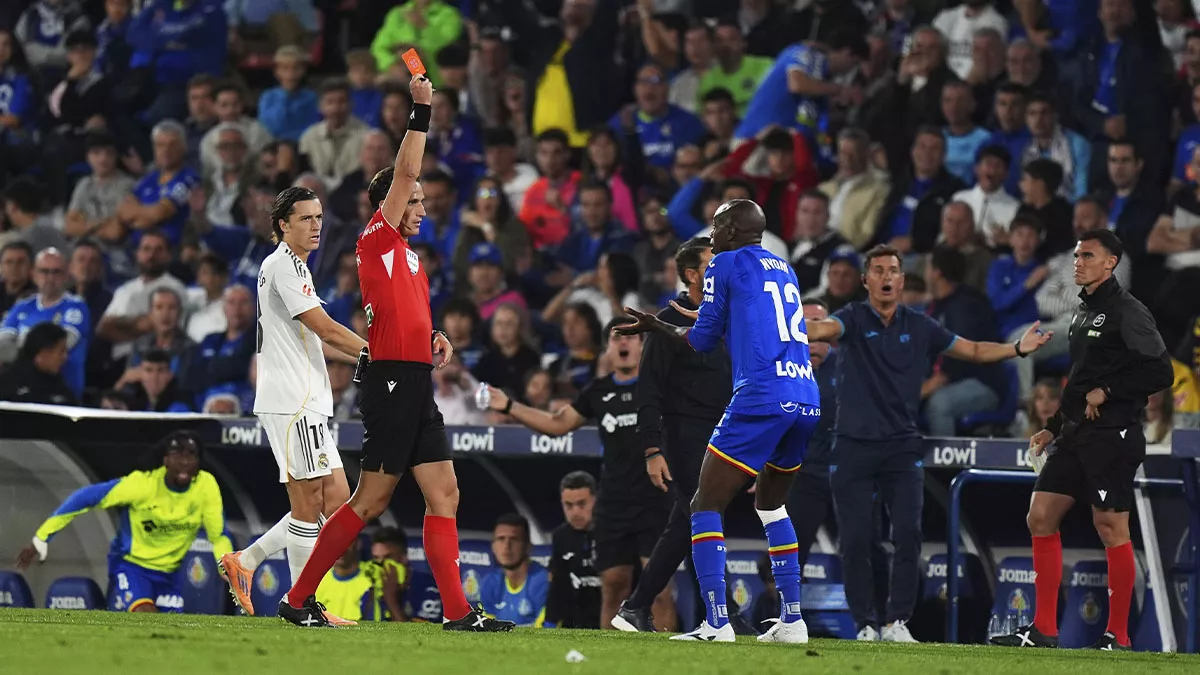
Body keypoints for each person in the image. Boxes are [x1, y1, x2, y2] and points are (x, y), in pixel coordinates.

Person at [276, 74, 512, 633]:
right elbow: (406, 171)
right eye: (416, 201)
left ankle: (457, 613)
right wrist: (421, 110)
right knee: (369, 503)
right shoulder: (376, 240)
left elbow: (402, 317)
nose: (422, 207)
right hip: (388, 384)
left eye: (425, 202)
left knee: (444, 491)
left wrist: (434, 339)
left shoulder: (408, 257)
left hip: (414, 379)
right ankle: (297, 598)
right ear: (390, 202)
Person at [800, 244, 1052, 642]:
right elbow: (820, 330)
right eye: (878, 270)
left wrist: (1017, 348)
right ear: (866, 280)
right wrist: (780, 324)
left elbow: (971, 349)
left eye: (893, 271)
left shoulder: (921, 326)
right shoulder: (850, 317)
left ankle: (896, 622)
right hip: (852, 446)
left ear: (902, 280)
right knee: (855, 540)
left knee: (908, 535)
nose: (886, 277)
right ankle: (865, 623)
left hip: (901, 446)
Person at [614, 200, 822, 644]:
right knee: (771, 506)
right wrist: (691, 317)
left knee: (703, 505)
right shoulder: (783, 266)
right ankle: (792, 621)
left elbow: (703, 340)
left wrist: (660, 327)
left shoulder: (723, 263)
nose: (711, 235)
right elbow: (744, 322)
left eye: (716, 226)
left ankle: (716, 623)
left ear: (731, 230)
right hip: (804, 394)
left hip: (760, 395)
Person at [991, 230, 1174, 651]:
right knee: (1040, 516)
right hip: (1076, 433)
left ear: (1111, 263)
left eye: (1087, 255)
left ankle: (1119, 637)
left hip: (1114, 433)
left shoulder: (1129, 311)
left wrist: (1108, 393)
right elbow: (1079, 383)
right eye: (1076, 255)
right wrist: (1053, 426)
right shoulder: (1081, 311)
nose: (1078, 262)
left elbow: (1159, 372)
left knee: (1110, 526)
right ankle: (1042, 630)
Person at [216, 185, 369, 627]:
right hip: (292, 401)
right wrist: (375, 354)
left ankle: (247, 560)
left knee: (338, 503)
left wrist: (366, 356)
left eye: (319, 217)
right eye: (306, 218)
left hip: (308, 400)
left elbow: (321, 336)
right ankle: (302, 605)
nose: (316, 225)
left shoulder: (294, 266)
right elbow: (324, 328)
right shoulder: (282, 264)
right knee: (308, 505)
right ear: (283, 225)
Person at [483, 318, 675, 631]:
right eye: (616, 338)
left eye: (630, 338)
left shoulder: (661, 386)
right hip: (613, 502)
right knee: (613, 586)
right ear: (607, 349)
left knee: (662, 592)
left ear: (643, 346)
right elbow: (558, 424)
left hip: (656, 497)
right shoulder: (598, 392)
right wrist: (509, 406)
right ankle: (608, 661)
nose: (623, 343)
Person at [611, 238, 748, 635]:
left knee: (687, 525)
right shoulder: (665, 322)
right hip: (683, 434)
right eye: (713, 265)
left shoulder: (726, 319)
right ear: (693, 274)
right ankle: (720, 613)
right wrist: (653, 448)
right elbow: (648, 392)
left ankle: (637, 608)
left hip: (720, 434)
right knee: (701, 518)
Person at [15, 431, 232, 613]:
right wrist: (42, 537)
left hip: (171, 575)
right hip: (132, 567)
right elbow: (86, 498)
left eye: (191, 456)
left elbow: (218, 535)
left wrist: (227, 565)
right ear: (165, 460)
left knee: (170, 635)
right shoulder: (142, 485)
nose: (185, 462)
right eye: (178, 456)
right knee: (145, 615)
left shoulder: (206, 486)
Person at [0, 248, 90, 397]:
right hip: (24, 389)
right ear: (33, 274)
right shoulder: (22, 306)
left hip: (64, 391)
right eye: (44, 271)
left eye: (56, 272)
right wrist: (35, 346)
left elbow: (62, 344)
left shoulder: (76, 306)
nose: (50, 278)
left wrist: (22, 343)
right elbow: (2, 346)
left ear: (67, 275)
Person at [545, 471, 601, 629]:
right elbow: (558, 586)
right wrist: (550, 623)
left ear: (595, 500)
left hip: (609, 621)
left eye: (582, 504)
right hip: (575, 623)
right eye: (568, 505)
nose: (575, 512)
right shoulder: (560, 536)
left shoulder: (613, 533)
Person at [479, 513, 550, 627]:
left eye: (514, 539)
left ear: (528, 546)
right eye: (501, 539)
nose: (507, 546)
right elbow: (486, 631)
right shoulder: (490, 583)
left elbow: (546, 634)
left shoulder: (544, 582)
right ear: (493, 546)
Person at [0, 322, 78, 405]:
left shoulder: (61, 389)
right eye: (61, 351)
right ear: (43, 352)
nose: (65, 357)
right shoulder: (8, 385)